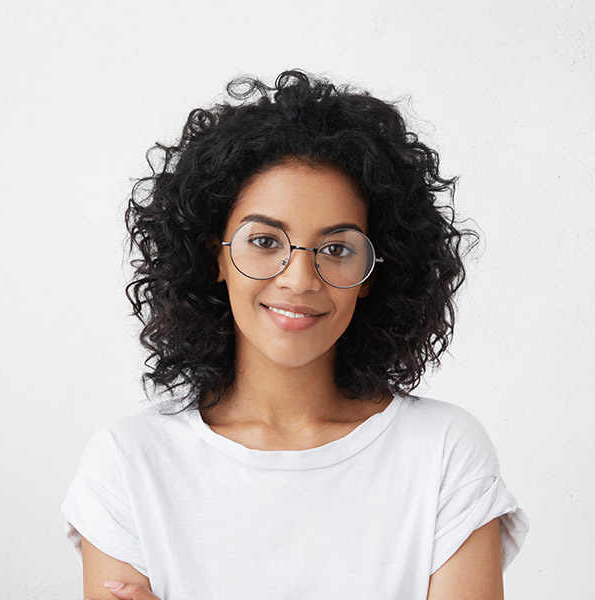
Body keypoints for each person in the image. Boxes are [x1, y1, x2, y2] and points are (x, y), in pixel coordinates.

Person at [62, 69, 529, 600]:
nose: (299, 279)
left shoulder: (444, 453)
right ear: (214, 254)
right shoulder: (127, 463)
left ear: (373, 274)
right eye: (265, 241)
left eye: (336, 248)